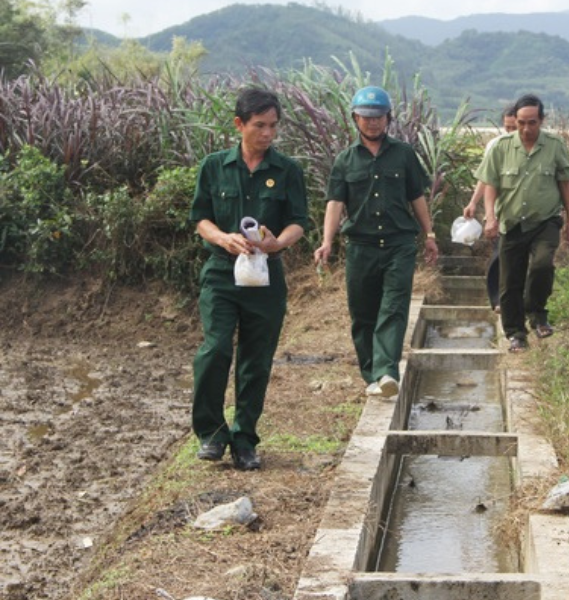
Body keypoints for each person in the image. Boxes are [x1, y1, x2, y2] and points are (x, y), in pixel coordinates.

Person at [190, 87, 308, 470]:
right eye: (260, 125)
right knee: (216, 349)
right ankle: (210, 433)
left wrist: (276, 244)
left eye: (274, 126)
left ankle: (245, 440)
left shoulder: (287, 170)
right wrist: (223, 238)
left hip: (265, 278)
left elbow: (298, 223)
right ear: (239, 124)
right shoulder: (214, 166)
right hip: (222, 276)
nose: (268, 134)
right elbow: (200, 219)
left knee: (256, 360)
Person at [314, 86, 438, 397]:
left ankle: (386, 371)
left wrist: (430, 235)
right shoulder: (345, 160)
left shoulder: (404, 154)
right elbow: (334, 204)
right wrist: (327, 241)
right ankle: (371, 375)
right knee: (363, 312)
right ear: (355, 118)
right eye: (366, 117)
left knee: (394, 307)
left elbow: (417, 197)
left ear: (388, 119)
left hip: (399, 243)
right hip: (361, 246)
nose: (372, 123)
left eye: (379, 117)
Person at [479, 94, 569, 352]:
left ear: (542, 121)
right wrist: (490, 217)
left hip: (545, 221)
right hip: (511, 223)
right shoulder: (501, 147)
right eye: (521, 122)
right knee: (509, 281)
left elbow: (566, 185)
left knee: (542, 265)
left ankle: (537, 313)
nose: (526, 128)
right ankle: (515, 333)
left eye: (532, 122)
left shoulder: (555, 146)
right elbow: (490, 185)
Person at [462, 105, 517, 311]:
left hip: (525, 213)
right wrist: (474, 202)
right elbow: (485, 178)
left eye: (514, 128)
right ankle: (498, 299)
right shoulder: (496, 145)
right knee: (499, 254)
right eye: (507, 128)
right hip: (499, 211)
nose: (511, 133)